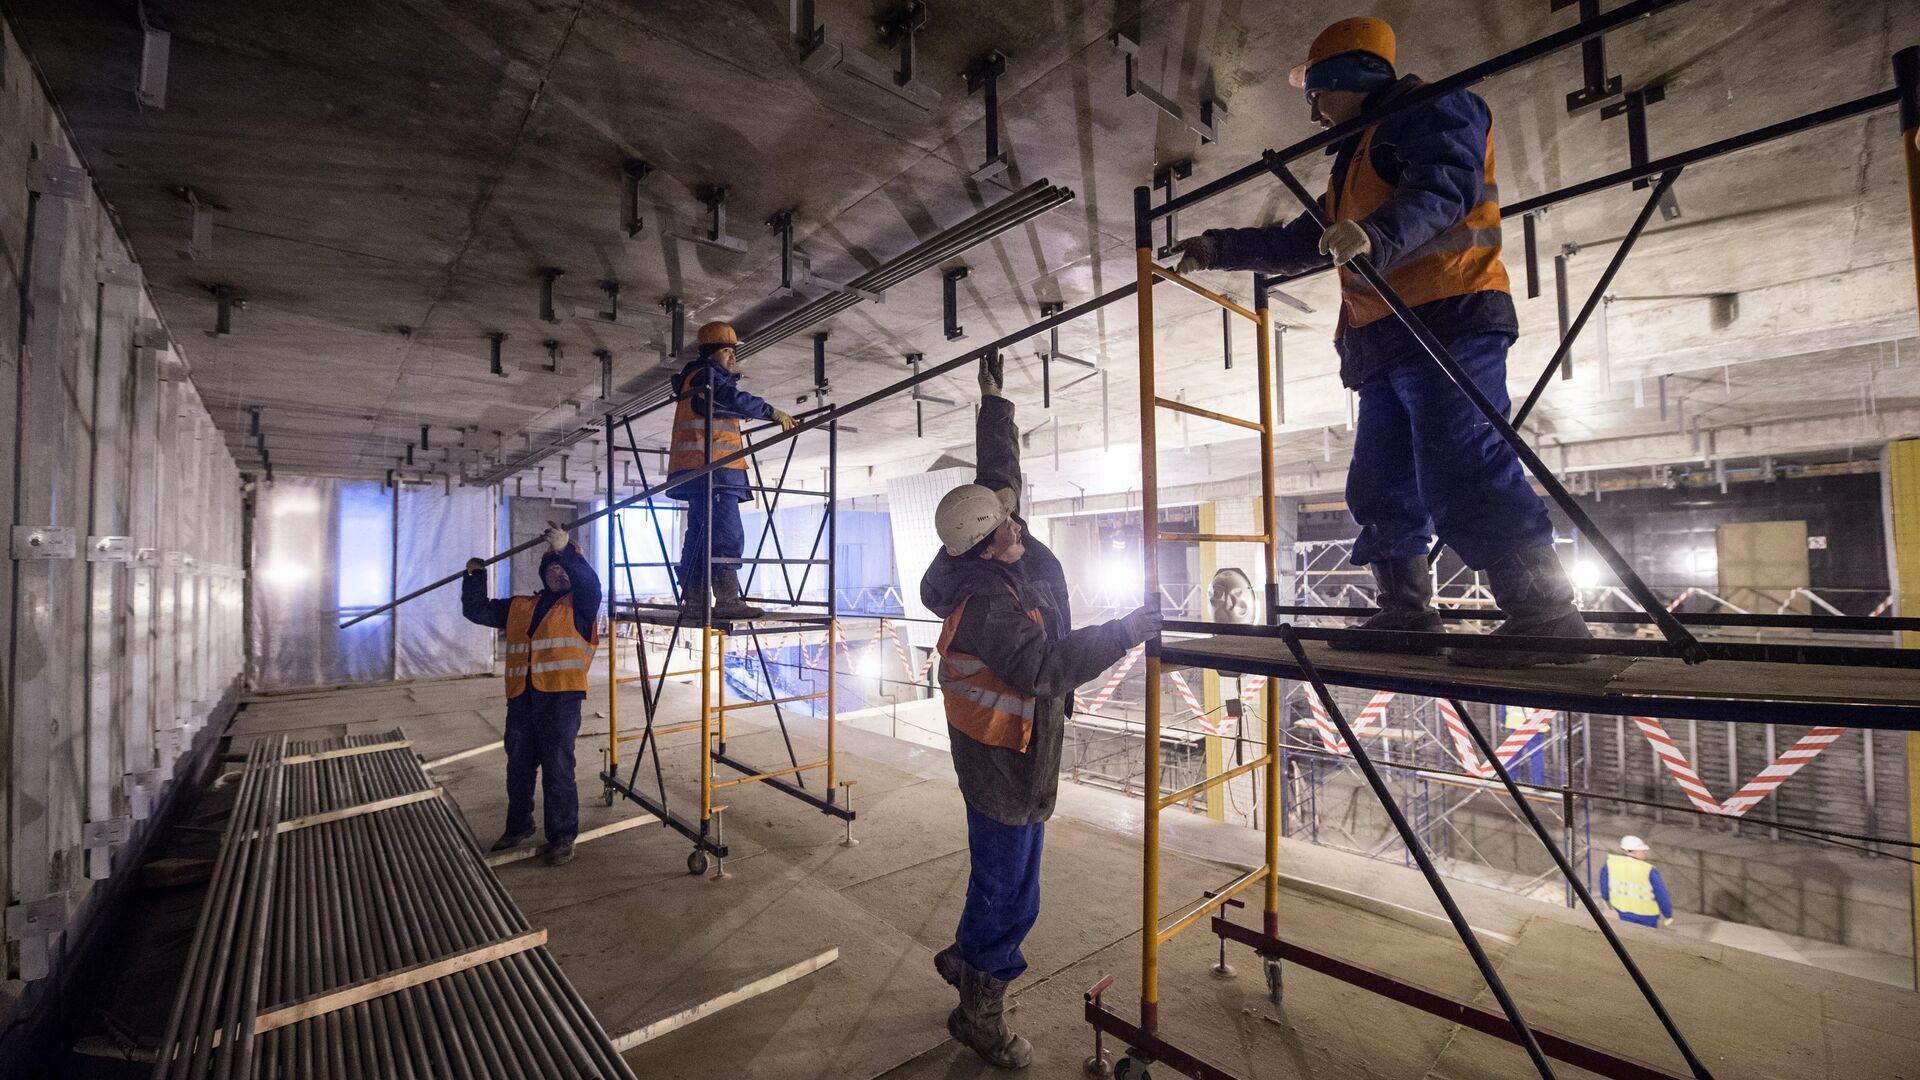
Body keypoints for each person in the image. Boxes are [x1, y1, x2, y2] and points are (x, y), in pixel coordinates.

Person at [1167, 16, 1590, 669]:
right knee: (1381, 482)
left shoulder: (1432, 110)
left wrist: (1377, 236)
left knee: (1465, 467)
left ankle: (1546, 616)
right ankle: (1407, 612)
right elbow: (1301, 241)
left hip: (1447, 319)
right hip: (1386, 339)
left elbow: (1445, 185)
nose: (1311, 111)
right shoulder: (1355, 158)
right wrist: (1219, 248)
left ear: (1346, 76)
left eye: (1316, 92)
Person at [921, 482, 1161, 1069]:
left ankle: (964, 960)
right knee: (1013, 896)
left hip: (1003, 758)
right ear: (984, 546)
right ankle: (979, 1013)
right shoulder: (989, 607)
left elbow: (1002, 499)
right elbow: (1047, 667)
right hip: (1005, 764)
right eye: (1006, 521)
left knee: (996, 880)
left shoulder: (991, 570)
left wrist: (996, 409)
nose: (1017, 525)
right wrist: (1125, 632)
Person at [461, 522, 601, 866]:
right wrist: (474, 576)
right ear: (542, 574)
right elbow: (476, 610)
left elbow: (589, 582)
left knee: (558, 768)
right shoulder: (520, 606)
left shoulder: (582, 606)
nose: (559, 572)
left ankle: (563, 836)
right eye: (552, 566)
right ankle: (519, 826)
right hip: (522, 698)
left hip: (561, 698)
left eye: (563, 567)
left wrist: (567, 550)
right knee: (519, 767)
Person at [667, 320, 795, 621]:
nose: (732, 357)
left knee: (699, 534)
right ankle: (727, 599)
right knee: (726, 533)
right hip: (715, 471)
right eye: (727, 350)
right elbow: (733, 399)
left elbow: (723, 405)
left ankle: (694, 600)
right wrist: (770, 412)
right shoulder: (708, 376)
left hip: (699, 471)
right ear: (711, 353)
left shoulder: (695, 381)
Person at [1599, 834, 1674, 928]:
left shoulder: (1611, 863)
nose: (1645, 853)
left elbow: (1604, 886)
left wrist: (1607, 899)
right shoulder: (1648, 870)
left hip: (1623, 912)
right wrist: (1668, 915)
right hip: (1648, 916)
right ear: (1633, 851)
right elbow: (1661, 895)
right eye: (1642, 850)